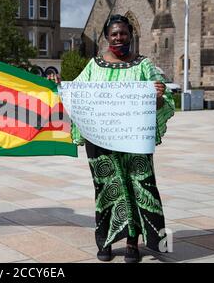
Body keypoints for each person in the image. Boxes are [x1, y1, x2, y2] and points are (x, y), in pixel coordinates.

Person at [70, 15, 175, 263]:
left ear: (131, 35)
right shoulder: (93, 65)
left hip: (134, 141)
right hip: (101, 141)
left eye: (123, 33)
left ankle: (132, 243)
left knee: (139, 186)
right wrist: (57, 90)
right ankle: (105, 240)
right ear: (106, 37)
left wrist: (158, 96)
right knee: (107, 188)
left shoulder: (143, 65)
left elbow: (163, 102)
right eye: (114, 34)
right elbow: (75, 94)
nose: (119, 38)